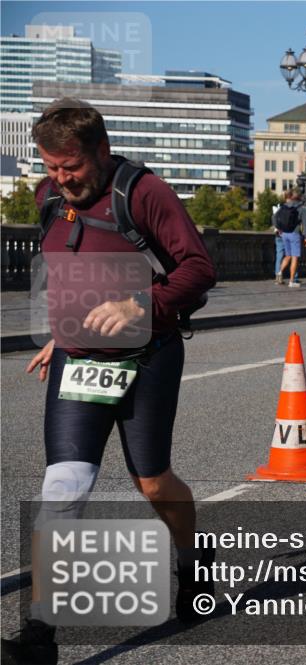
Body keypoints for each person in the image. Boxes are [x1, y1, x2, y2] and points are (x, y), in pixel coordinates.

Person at [1, 99, 217, 664]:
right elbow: (63, 270)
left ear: (101, 149)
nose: (60, 179)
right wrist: (61, 329)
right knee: (64, 489)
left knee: (152, 483)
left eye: (69, 167)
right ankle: (40, 636)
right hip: (78, 359)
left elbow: (198, 268)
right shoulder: (49, 198)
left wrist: (139, 302)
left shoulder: (143, 192)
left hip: (146, 356)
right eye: (50, 167)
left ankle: (194, 560)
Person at [275, 190, 306, 288]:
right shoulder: (301, 209)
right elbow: (305, 224)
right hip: (294, 234)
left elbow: (274, 217)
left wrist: (279, 228)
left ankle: (280, 272)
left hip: (284, 233)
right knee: (294, 257)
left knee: (287, 255)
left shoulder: (284, 206)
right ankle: (291, 281)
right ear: (299, 199)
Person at [272, 200, 285, 284]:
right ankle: (280, 275)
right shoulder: (284, 215)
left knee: (279, 257)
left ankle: (278, 275)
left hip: (278, 236)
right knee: (289, 257)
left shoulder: (274, 215)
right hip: (284, 236)